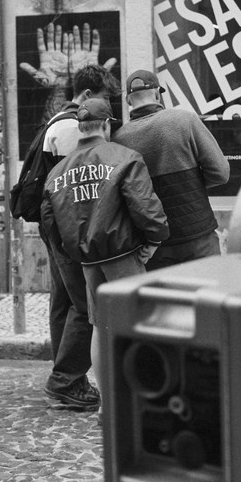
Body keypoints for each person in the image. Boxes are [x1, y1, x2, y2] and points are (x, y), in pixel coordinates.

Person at [41, 96, 169, 408]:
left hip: (88, 261)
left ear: (80, 128)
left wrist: (74, 252)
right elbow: (146, 207)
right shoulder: (125, 157)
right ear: (108, 125)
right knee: (138, 325)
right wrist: (154, 240)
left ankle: (109, 405)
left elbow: (50, 222)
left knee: (99, 328)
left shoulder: (57, 172)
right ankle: (140, 400)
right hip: (123, 257)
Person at [40, 64, 122, 411]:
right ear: (87, 95)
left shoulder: (56, 121)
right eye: (104, 100)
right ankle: (66, 379)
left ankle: (69, 379)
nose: (108, 109)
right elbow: (80, 186)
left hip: (55, 225)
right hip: (69, 225)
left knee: (63, 301)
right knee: (85, 304)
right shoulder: (72, 128)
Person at [113, 69, 230, 270]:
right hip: (198, 235)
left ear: (128, 101)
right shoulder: (185, 120)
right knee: (209, 289)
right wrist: (193, 184)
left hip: (154, 245)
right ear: (157, 94)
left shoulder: (118, 140)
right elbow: (221, 172)